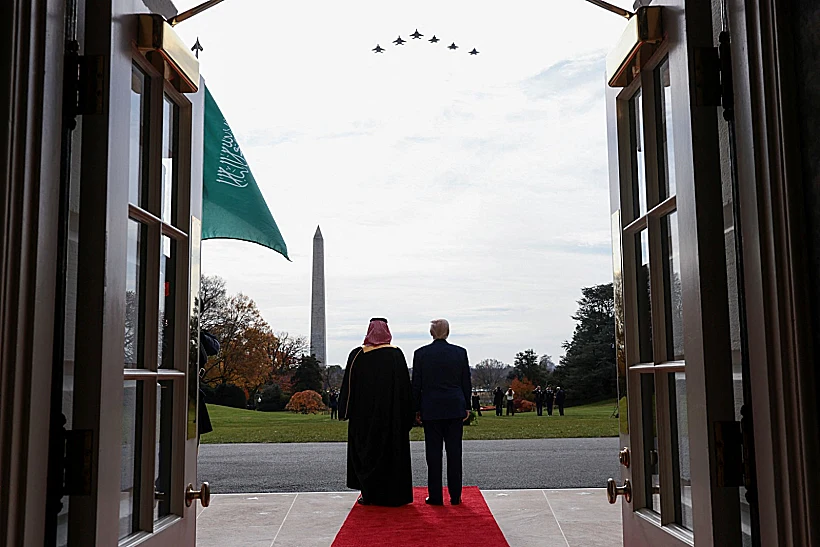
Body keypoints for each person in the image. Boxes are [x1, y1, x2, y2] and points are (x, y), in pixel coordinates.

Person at [338, 318, 414, 506]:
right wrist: (409, 416)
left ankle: (370, 494)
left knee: (367, 455)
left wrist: (344, 411)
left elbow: (348, 387)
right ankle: (394, 495)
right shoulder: (397, 355)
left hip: (365, 419)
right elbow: (406, 389)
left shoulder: (358, 355)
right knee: (392, 455)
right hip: (392, 418)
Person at [412, 319, 472, 506]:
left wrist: (416, 408)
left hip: (431, 407)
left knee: (433, 455)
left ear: (431, 333)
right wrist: (467, 406)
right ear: (448, 332)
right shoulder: (460, 353)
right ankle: (455, 496)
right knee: (455, 454)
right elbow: (465, 383)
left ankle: (436, 496)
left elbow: (417, 385)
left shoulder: (421, 354)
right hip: (454, 407)